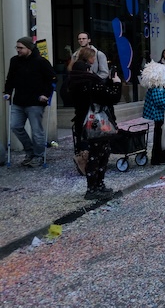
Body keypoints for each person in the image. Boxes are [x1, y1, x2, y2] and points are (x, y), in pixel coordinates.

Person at [68, 47, 123, 199]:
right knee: (98, 154)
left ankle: (97, 186)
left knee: (98, 152)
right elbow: (111, 97)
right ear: (89, 62)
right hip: (96, 122)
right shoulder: (89, 80)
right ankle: (94, 187)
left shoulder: (74, 78)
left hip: (83, 120)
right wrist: (116, 83)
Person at [3, 37, 57, 167]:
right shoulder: (15, 61)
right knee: (15, 126)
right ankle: (30, 151)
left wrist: (45, 94)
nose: (18, 50)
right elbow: (10, 78)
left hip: (35, 102)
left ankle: (39, 155)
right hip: (18, 101)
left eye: (21, 48)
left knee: (37, 132)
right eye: (17, 47)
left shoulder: (41, 62)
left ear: (29, 48)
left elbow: (52, 79)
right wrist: (8, 91)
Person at [141, 61, 165, 165]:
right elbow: (160, 102)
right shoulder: (157, 89)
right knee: (160, 138)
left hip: (161, 116)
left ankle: (162, 157)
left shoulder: (157, 87)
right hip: (160, 115)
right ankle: (158, 158)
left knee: (162, 136)